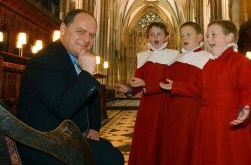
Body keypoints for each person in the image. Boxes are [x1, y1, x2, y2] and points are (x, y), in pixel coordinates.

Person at [16, 9, 124, 165]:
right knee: (111, 158)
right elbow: (63, 107)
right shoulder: (47, 61)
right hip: (43, 142)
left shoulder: (72, 57)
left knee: (107, 149)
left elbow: (91, 97)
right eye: (80, 32)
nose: (87, 39)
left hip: (65, 136)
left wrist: (94, 127)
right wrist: (87, 74)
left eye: (92, 35)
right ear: (63, 29)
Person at [192, 20, 251, 165]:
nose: (208, 39)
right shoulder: (207, 64)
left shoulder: (240, 61)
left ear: (229, 38)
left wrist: (246, 107)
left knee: (231, 157)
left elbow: (249, 90)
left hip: (229, 121)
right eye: (207, 36)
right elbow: (197, 88)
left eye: (213, 35)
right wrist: (176, 86)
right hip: (207, 122)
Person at [117, 22, 178, 165]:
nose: (155, 37)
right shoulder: (142, 56)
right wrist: (130, 89)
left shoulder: (174, 55)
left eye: (159, 34)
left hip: (165, 105)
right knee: (147, 139)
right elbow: (139, 82)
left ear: (166, 37)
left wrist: (146, 84)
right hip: (147, 107)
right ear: (147, 37)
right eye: (151, 34)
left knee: (163, 140)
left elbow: (170, 82)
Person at [159, 22, 210, 165]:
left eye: (189, 35)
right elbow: (165, 79)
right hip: (173, 111)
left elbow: (202, 88)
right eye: (182, 36)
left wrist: (176, 86)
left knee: (188, 148)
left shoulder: (207, 58)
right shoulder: (177, 58)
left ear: (199, 37)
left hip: (192, 112)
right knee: (173, 148)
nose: (184, 38)